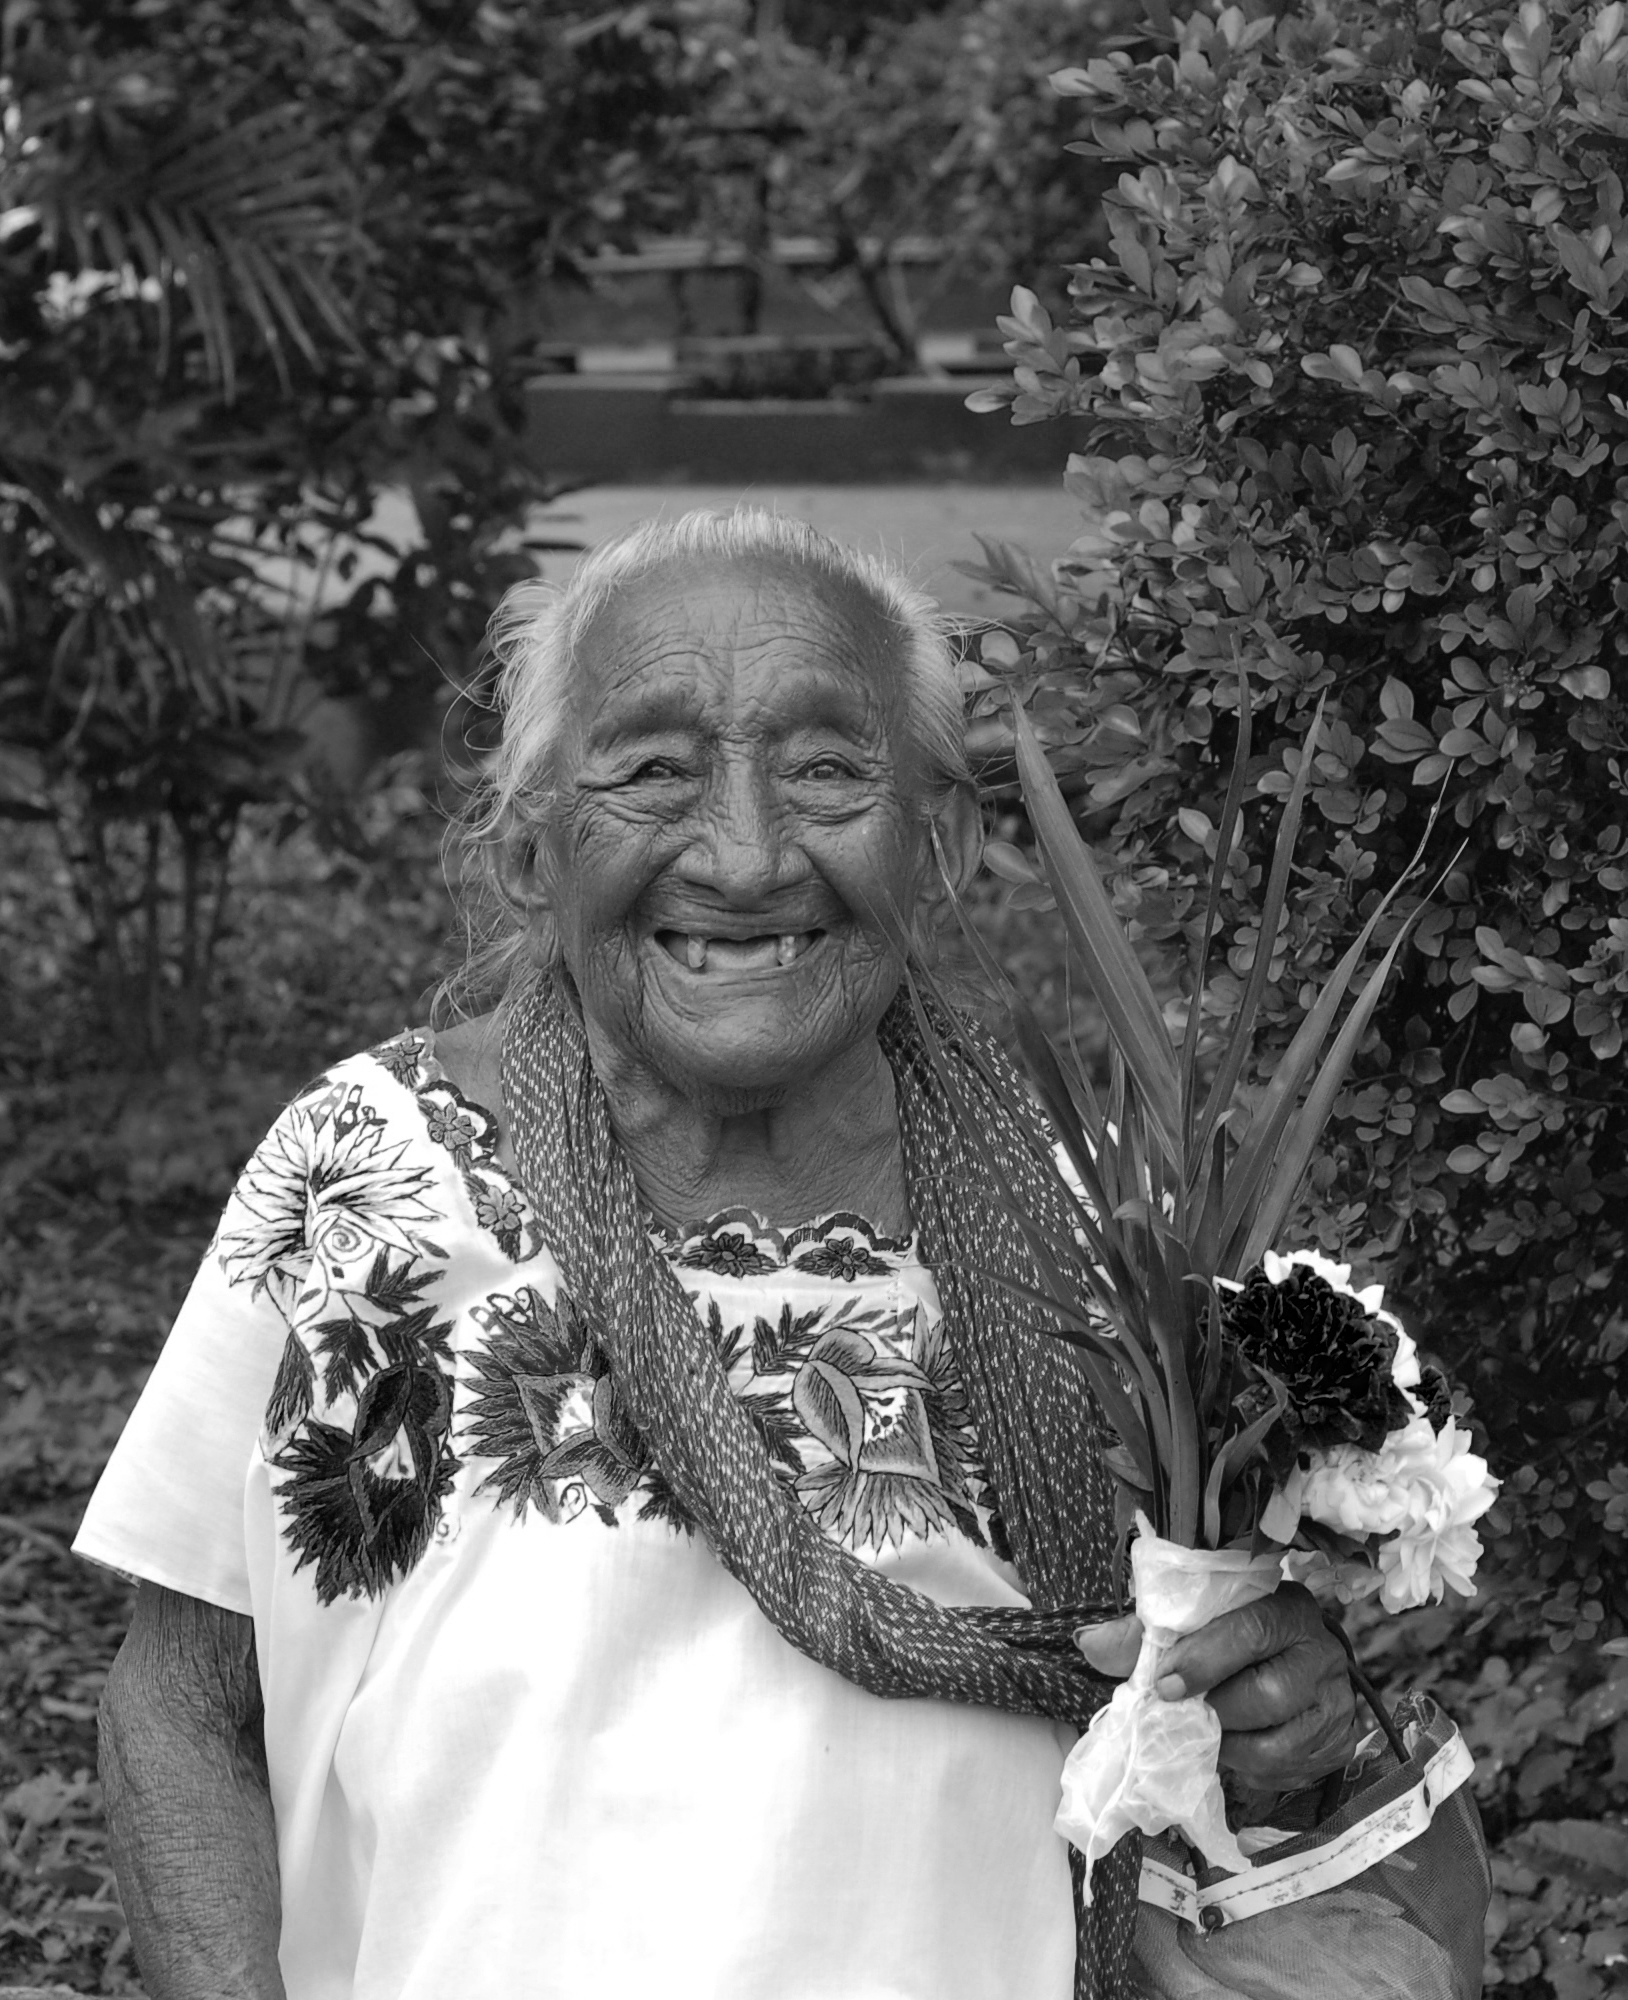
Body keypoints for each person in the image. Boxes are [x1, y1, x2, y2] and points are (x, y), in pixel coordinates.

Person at [76, 510, 1358, 2000]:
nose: (746, 857)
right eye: (651, 772)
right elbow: (179, 1710)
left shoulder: (1103, 1249)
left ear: (937, 838)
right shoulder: (371, 1175)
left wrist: (1286, 1719)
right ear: (531, 842)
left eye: (825, 768)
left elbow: (1229, 1750)